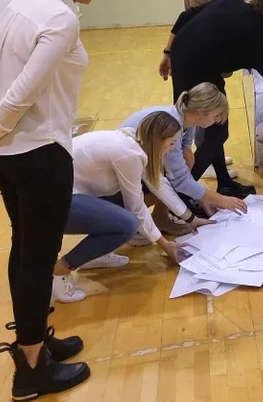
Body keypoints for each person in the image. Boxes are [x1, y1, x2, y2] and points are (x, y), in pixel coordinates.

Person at [0, 0, 118, 401]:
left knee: (25, 248)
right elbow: (22, 92)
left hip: (7, 154)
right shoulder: (61, 19)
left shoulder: (25, 0)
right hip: (38, 152)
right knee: (38, 256)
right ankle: (30, 370)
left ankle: (36, 339)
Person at [161, 0, 263, 197]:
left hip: (181, 53)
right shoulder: (257, 39)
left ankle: (224, 183)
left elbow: (185, 16)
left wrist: (167, 53)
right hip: (200, 68)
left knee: (209, 128)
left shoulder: (229, 1)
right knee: (218, 131)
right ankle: (183, 190)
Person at [52, 109, 217, 303]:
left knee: (125, 206)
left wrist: (191, 219)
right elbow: (136, 207)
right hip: (53, 203)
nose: (172, 149)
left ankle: (96, 254)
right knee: (127, 224)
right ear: (158, 140)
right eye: (171, 143)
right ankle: (58, 272)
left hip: (69, 193)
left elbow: (159, 184)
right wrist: (165, 245)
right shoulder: (129, 155)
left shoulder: (135, 140)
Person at [162, 0, 249, 179]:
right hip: (197, 62)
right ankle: (198, 167)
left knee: (212, 121)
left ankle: (213, 161)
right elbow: (208, 22)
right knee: (205, 117)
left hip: (201, 58)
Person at [119, 84, 248, 233]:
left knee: (187, 161)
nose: (218, 120)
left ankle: (161, 217)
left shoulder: (186, 118)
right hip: (124, 168)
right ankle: (128, 219)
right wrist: (220, 199)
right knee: (170, 181)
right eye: (216, 115)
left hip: (139, 160)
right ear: (201, 113)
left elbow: (184, 160)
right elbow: (179, 179)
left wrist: (204, 198)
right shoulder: (172, 126)